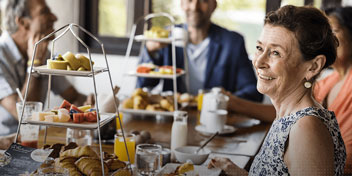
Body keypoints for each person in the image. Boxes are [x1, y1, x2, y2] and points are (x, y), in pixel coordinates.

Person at [209, 5, 346, 175]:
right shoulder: (289, 116)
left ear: (313, 66)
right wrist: (236, 172)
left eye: (275, 53)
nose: (259, 62)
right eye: (259, 48)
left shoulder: (305, 129)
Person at [137, 0, 263, 102]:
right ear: (182, 3)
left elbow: (252, 91)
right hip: (174, 118)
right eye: (190, 0)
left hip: (215, 121)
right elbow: (142, 86)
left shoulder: (232, 42)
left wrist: (226, 100)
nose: (194, 6)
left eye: (203, 1)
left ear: (214, 5)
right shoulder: (166, 38)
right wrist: (150, 51)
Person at [0, 0, 92, 138]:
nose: (54, 17)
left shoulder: (44, 54)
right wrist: (34, 65)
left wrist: (93, 102)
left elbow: (73, 97)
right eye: (44, 12)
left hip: (36, 139)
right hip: (5, 147)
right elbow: (25, 115)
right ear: (22, 22)